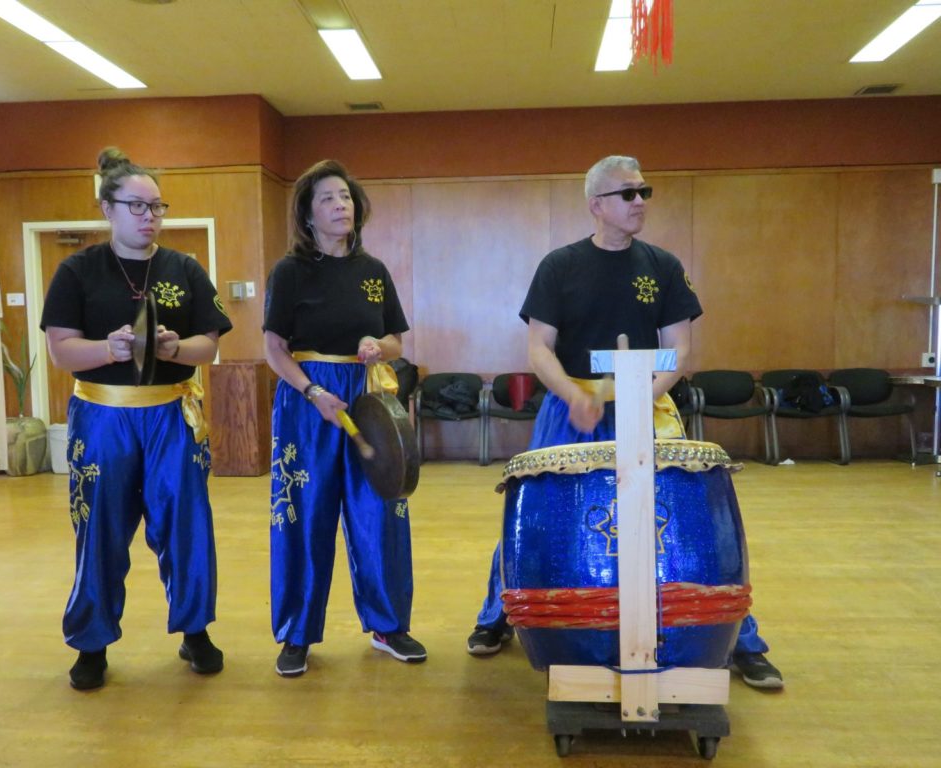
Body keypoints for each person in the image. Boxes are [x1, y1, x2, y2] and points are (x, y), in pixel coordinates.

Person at [465, 155, 784, 690]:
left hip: (648, 402)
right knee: (539, 512)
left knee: (680, 519)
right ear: (596, 205)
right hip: (572, 406)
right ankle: (498, 614)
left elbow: (679, 349)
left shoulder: (661, 264)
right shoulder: (559, 266)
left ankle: (737, 638)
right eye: (628, 194)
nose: (640, 202)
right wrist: (572, 395)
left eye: (644, 192)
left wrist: (640, 396)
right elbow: (538, 348)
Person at [41, 147, 232, 690]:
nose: (150, 216)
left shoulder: (183, 268)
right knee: (99, 527)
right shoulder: (77, 270)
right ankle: (91, 641)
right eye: (138, 206)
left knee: (187, 525)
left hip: (172, 415)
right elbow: (61, 352)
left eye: (157, 207)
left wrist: (174, 347)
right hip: (103, 416)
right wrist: (110, 349)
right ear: (108, 209)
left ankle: (195, 630)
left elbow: (208, 346)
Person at [262, 159, 427, 678]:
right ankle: (296, 633)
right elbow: (273, 348)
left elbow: (397, 338)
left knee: (380, 510)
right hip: (308, 402)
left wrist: (378, 345)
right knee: (304, 516)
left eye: (346, 197)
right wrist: (312, 391)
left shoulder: (373, 272)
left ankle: (388, 625)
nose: (341, 205)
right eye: (328, 199)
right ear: (308, 216)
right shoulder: (290, 272)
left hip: (364, 398)